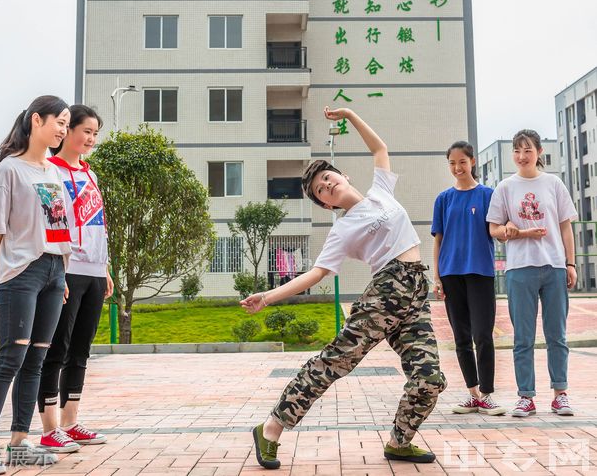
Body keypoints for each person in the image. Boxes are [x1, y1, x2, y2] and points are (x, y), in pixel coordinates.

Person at [241, 107, 447, 469]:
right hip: (386, 290)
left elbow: (379, 148)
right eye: (321, 190)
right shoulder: (342, 229)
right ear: (326, 204)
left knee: (430, 377)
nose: (327, 184)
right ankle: (271, 428)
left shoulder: (381, 191)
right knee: (335, 361)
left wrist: (350, 115)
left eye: (327, 177)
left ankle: (400, 441)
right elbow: (317, 273)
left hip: (416, 290)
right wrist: (268, 297)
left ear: (342, 175)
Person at [0, 96, 71, 475]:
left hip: (53, 272)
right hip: (20, 273)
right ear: (36, 120)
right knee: (10, 360)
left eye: (66, 123)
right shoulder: (9, 171)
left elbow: (61, 227)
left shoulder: (53, 171)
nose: (62, 129)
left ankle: (19, 442)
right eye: (58, 122)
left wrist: (61, 273)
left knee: (37, 361)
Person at [37, 105, 113, 452]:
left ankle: (71, 420)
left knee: (81, 350)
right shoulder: (48, 171)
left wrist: (106, 270)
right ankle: (49, 427)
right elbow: (51, 224)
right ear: (66, 131)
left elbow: (99, 224)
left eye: (95, 133)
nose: (91, 138)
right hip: (66, 270)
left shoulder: (91, 175)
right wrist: (57, 272)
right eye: (86, 131)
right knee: (57, 348)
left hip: (94, 272)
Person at [486, 129, 577, 418]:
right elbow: (494, 229)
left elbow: (565, 226)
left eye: (527, 150)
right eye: (517, 150)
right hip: (519, 269)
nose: (522, 156)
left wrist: (571, 264)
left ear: (539, 152)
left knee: (557, 335)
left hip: (553, 267)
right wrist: (507, 231)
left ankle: (560, 394)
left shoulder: (553, 183)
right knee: (523, 337)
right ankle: (526, 396)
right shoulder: (505, 187)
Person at [432, 141, 505, 416]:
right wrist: (437, 276)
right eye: (452, 163)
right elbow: (438, 239)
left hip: (481, 272)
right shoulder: (443, 199)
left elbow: (496, 230)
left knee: (482, 335)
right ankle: (472, 394)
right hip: (451, 273)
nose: (457, 167)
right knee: (461, 337)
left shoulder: (488, 195)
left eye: (462, 161)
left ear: (472, 162)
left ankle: (487, 394)